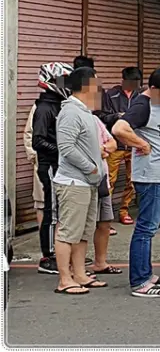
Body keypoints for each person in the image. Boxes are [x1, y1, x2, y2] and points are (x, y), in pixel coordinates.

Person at [112, 66, 160, 298]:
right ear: (153, 88)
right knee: (145, 228)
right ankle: (140, 281)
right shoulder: (142, 105)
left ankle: (147, 273)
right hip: (152, 175)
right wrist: (141, 144)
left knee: (150, 227)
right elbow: (119, 128)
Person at [52, 67, 107, 294]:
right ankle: (65, 279)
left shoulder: (85, 111)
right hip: (74, 182)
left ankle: (80, 274)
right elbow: (66, 147)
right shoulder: (71, 112)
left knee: (84, 231)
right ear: (86, 85)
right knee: (68, 231)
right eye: (96, 82)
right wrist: (91, 167)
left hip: (88, 182)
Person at [31, 62, 73, 275]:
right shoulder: (45, 108)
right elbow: (37, 141)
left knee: (62, 211)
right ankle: (48, 256)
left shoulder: (59, 105)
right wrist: (62, 150)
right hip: (50, 165)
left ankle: (60, 251)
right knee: (52, 210)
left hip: (60, 164)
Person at [99, 67, 142, 226]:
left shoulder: (141, 97)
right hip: (115, 144)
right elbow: (101, 116)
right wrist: (117, 116)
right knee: (110, 180)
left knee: (132, 180)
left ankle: (124, 211)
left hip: (134, 144)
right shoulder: (111, 95)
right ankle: (106, 216)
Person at [89, 114, 123, 276]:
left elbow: (113, 143)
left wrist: (104, 149)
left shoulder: (94, 119)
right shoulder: (69, 117)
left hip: (102, 178)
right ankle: (74, 268)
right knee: (79, 227)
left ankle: (100, 263)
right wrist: (99, 150)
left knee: (104, 221)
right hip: (82, 180)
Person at [23, 102, 44, 229]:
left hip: (68, 165)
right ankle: (46, 242)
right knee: (42, 203)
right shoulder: (40, 105)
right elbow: (28, 133)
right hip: (44, 162)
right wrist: (34, 156)